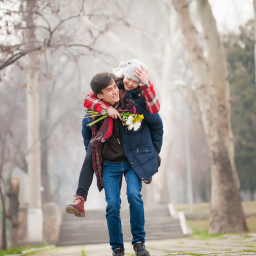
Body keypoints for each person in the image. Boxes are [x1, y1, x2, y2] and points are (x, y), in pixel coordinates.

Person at [66, 60, 163, 256]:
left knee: (135, 197)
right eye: (109, 90)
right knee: (112, 205)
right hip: (109, 165)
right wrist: (95, 156)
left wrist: (153, 154)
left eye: (114, 88)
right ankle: (117, 248)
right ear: (100, 95)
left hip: (132, 162)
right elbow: (87, 133)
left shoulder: (136, 104)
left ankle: (139, 243)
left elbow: (156, 123)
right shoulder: (94, 112)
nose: (115, 91)